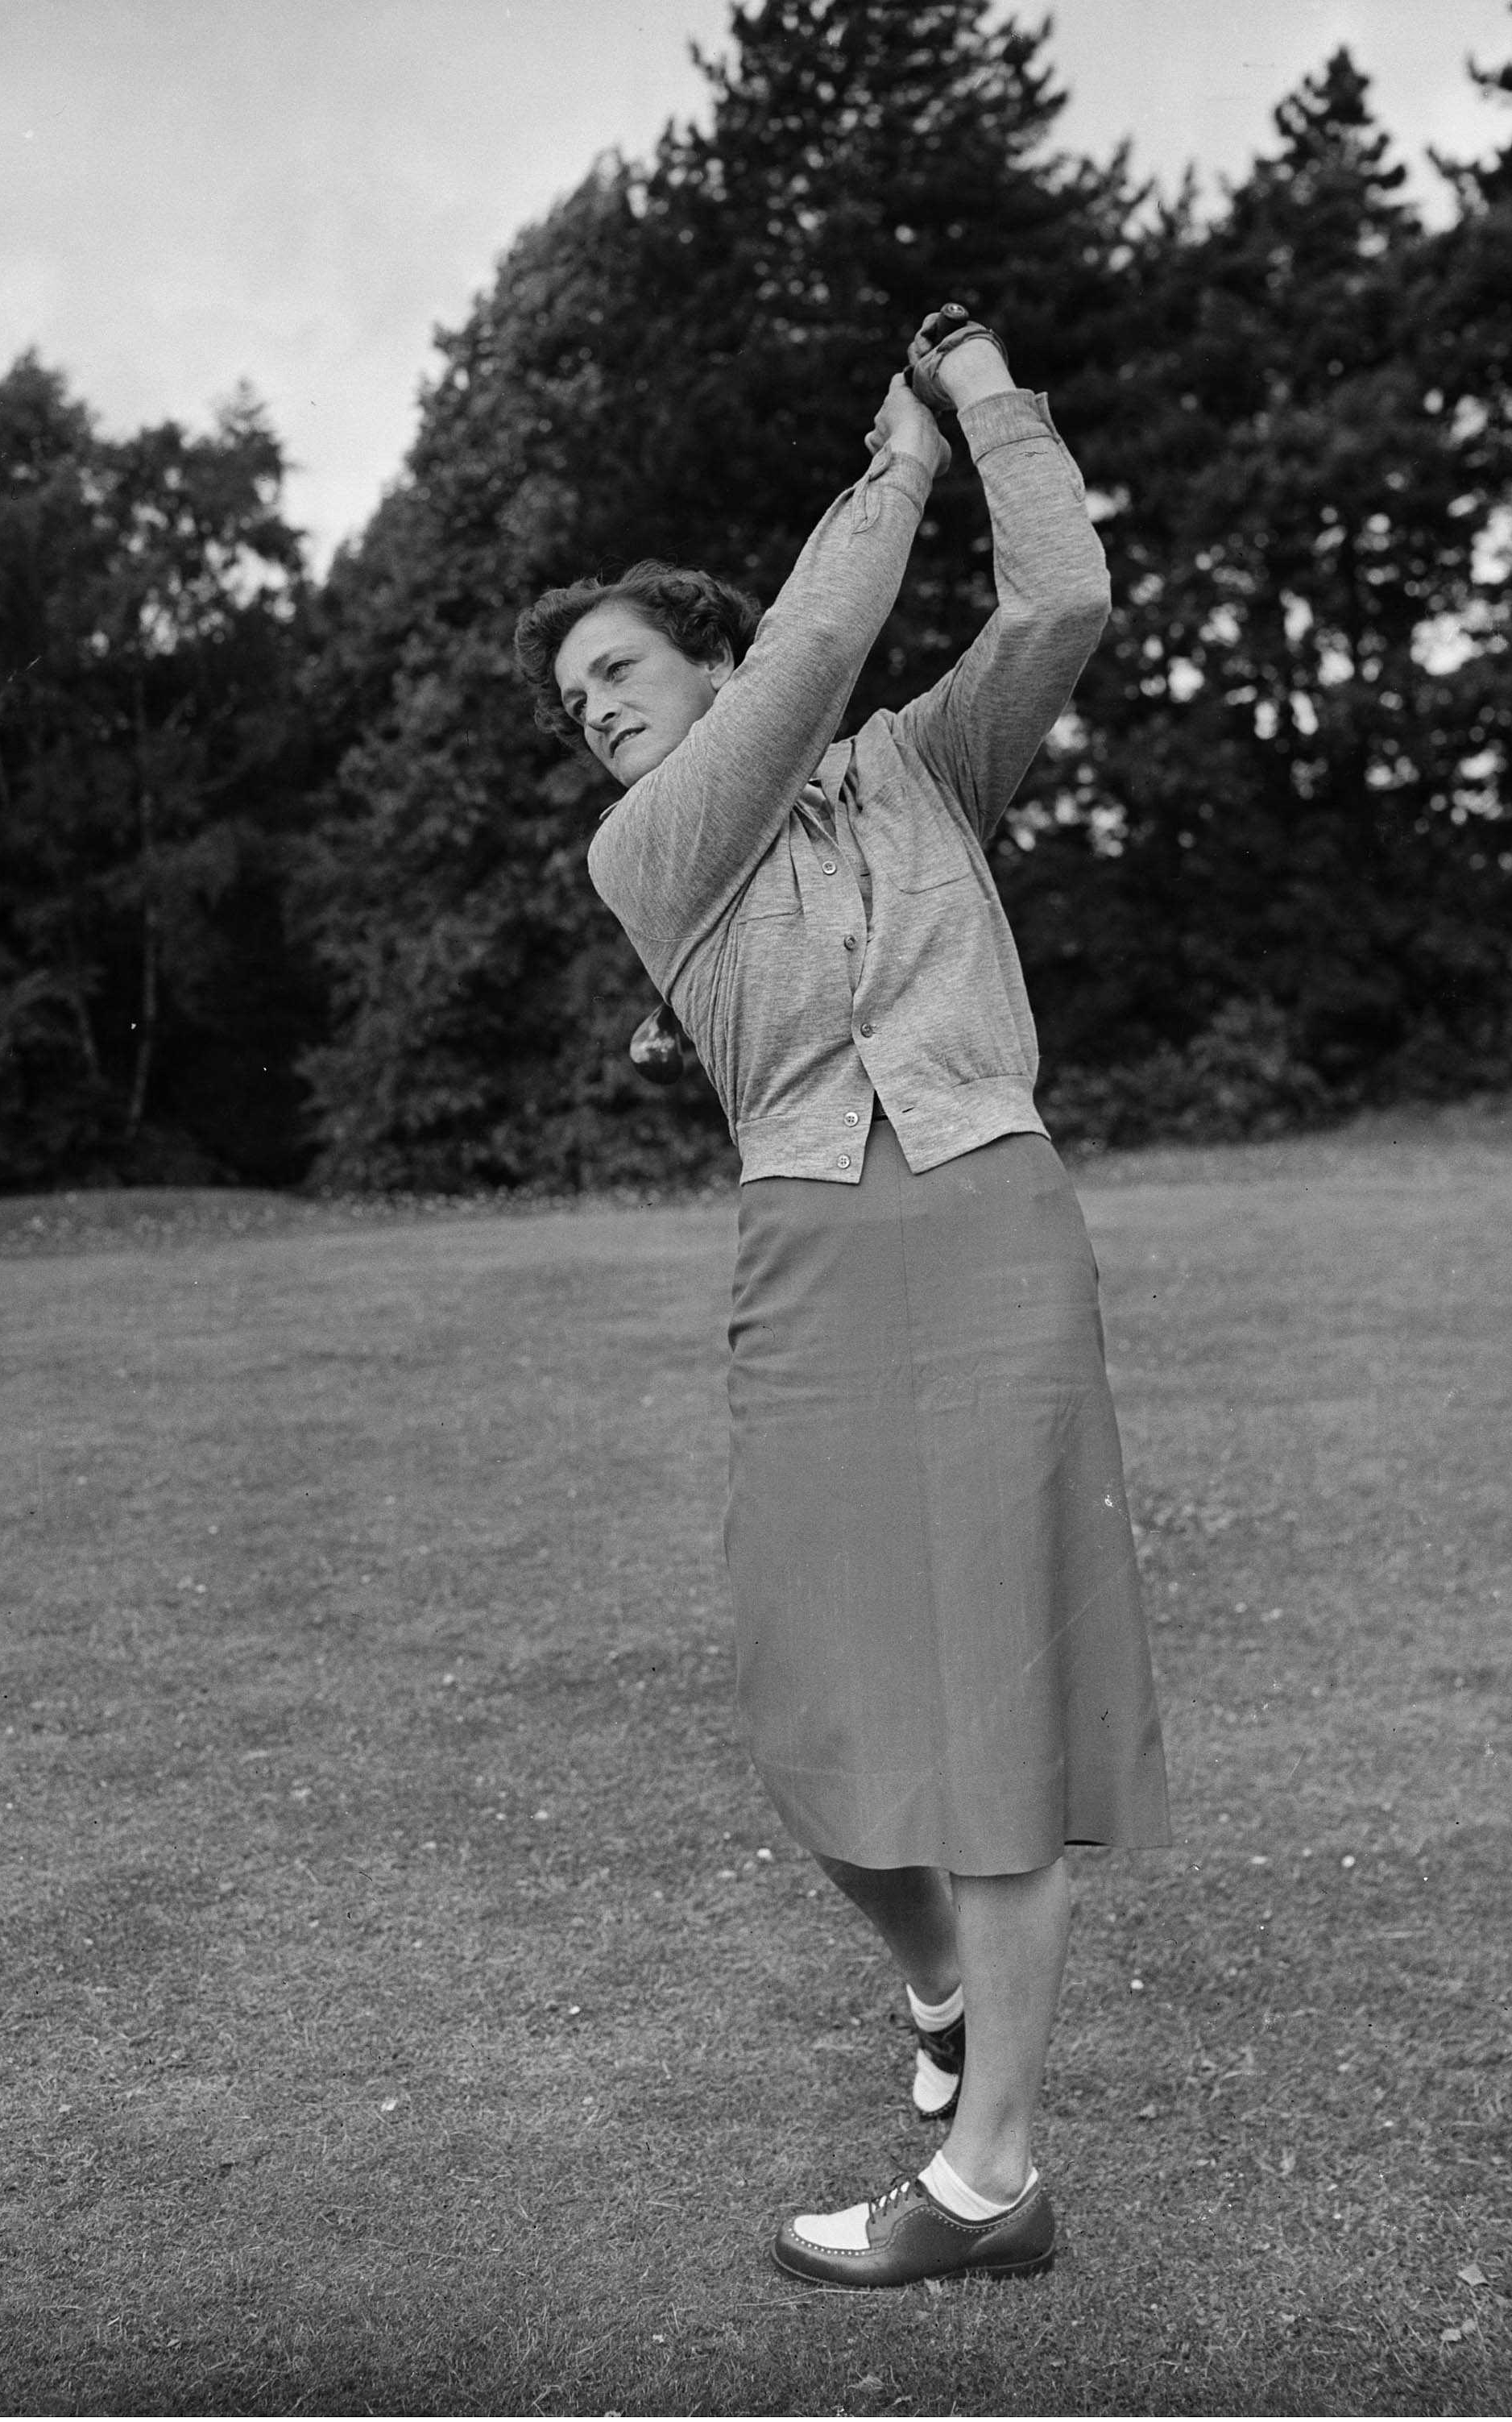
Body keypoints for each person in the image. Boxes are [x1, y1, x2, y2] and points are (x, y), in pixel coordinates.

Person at [512, 310, 1170, 2289]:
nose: (596, 712)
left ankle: (989, 2177)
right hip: (804, 1256)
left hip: (989, 1224)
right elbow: (807, 659)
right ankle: (942, 1989)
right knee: (814, 1713)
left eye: (618, 670)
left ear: (695, 651)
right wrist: (888, 465)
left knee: (1001, 1708)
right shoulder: (651, 850)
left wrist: (979, 402)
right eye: (573, 700)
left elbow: (1059, 597)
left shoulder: (922, 773)